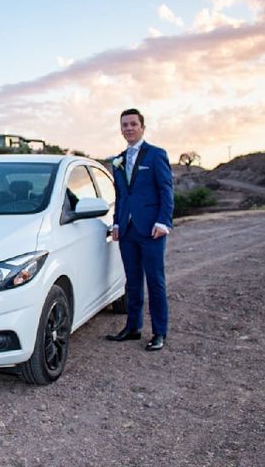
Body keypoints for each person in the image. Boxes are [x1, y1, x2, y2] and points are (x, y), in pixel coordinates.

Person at [106, 108, 174, 351]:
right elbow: (120, 195)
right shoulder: (119, 159)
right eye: (125, 125)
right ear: (121, 128)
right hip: (127, 229)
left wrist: (163, 221)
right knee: (132, 281)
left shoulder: (156, 155)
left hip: (151, 229)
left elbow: (166, 190)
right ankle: (133, 327)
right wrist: (116, 223)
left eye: (133, 124)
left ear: (142, 127)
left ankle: (159, 332)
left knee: (155, 281)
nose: (129, 128)